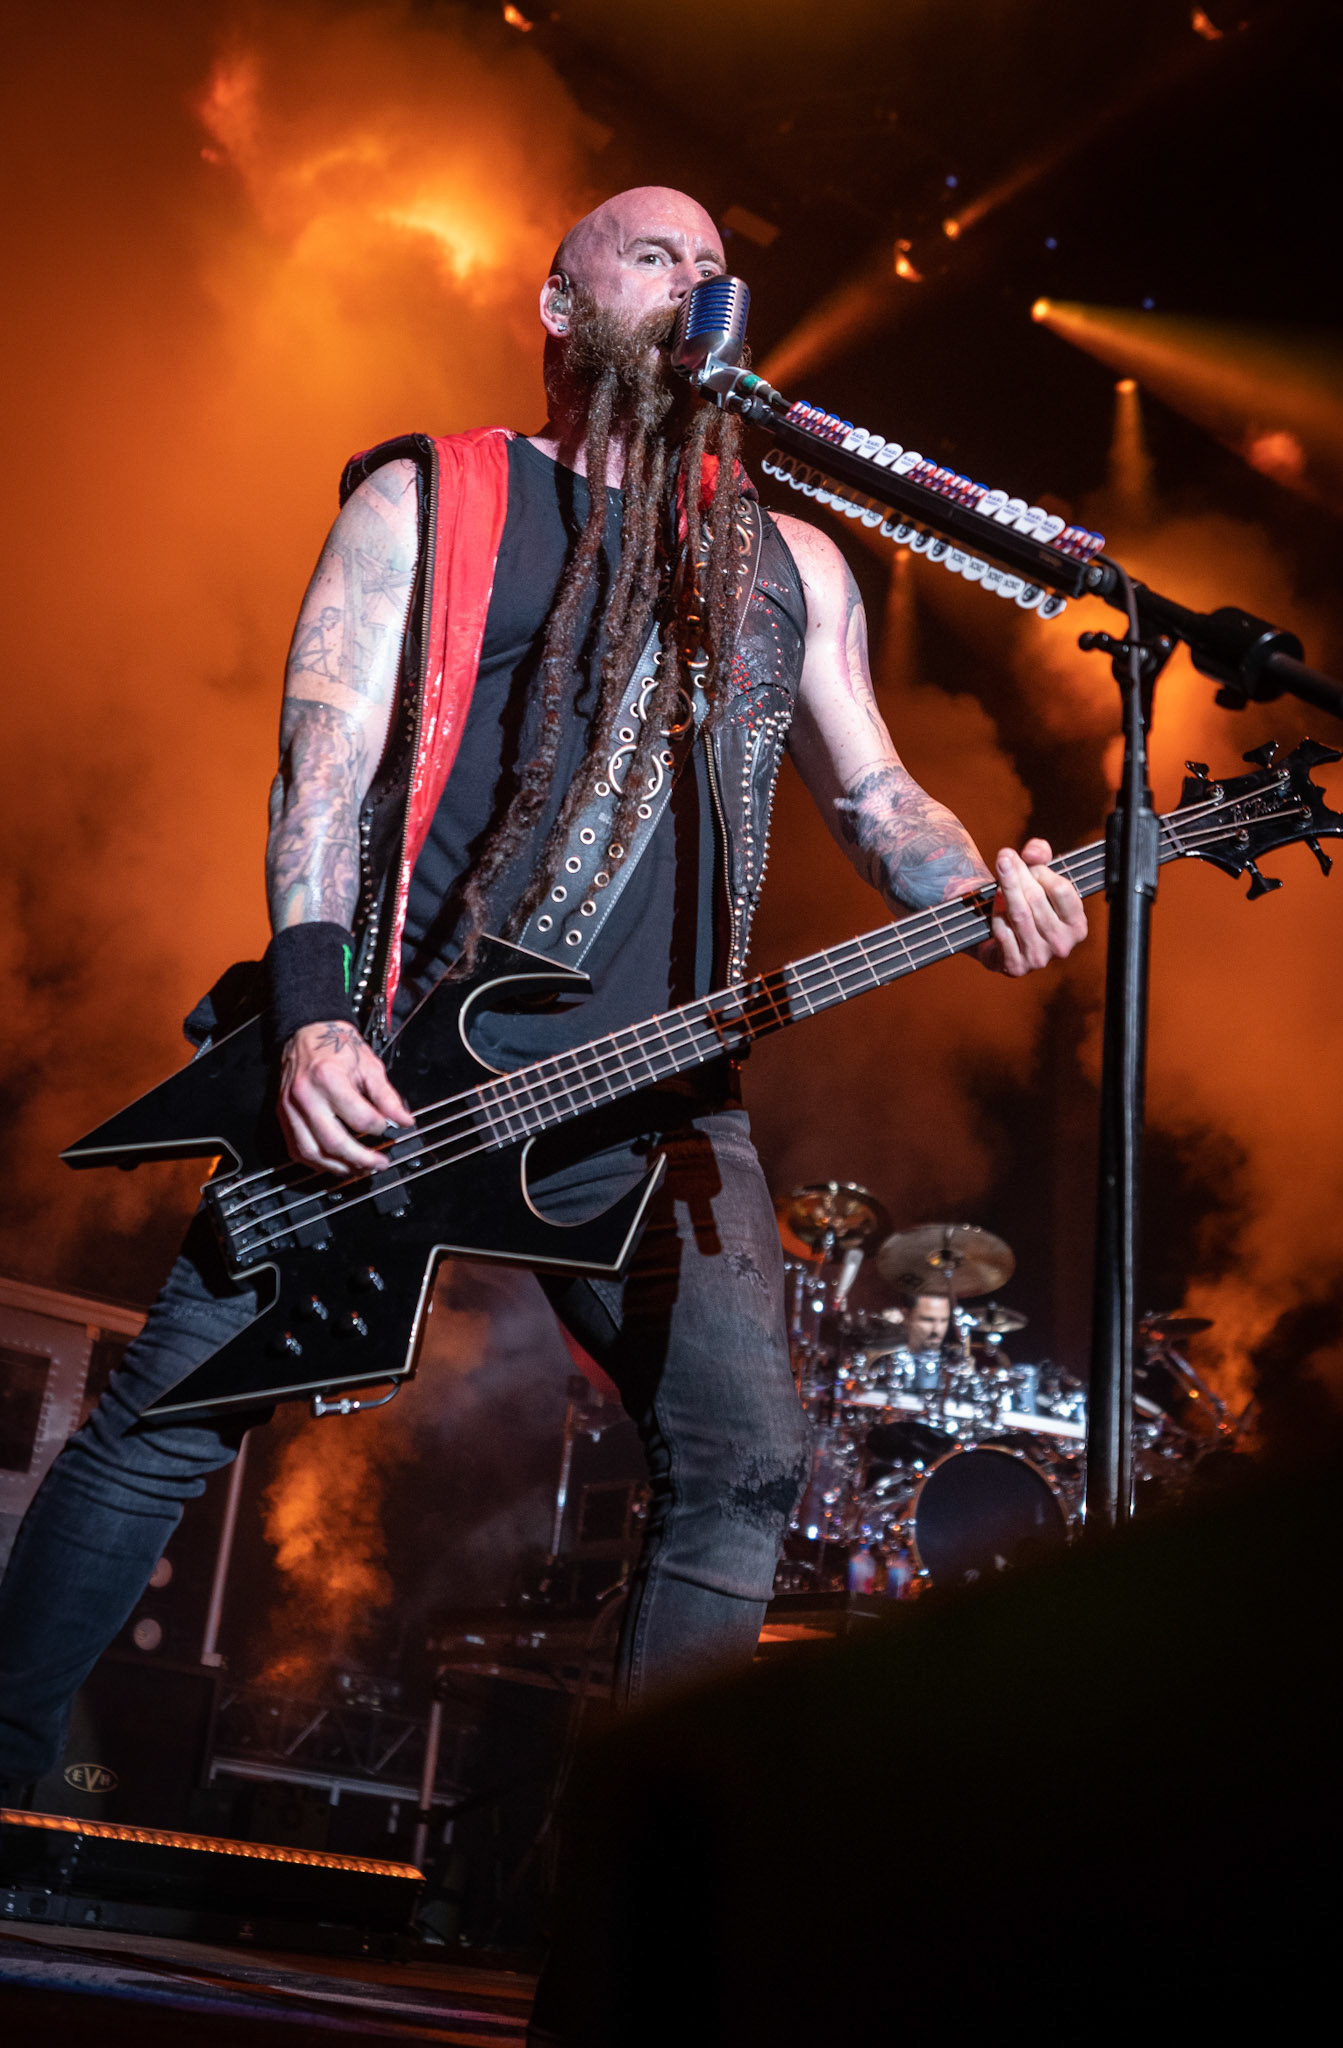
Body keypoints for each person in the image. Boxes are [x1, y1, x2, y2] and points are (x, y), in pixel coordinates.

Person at [0, 186, 1085, 1797]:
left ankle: (631, 1889)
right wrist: (311, 1016)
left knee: (744, 1458)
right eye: (654, 254)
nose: (696, 282)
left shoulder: (789, 566)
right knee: (166, 1418)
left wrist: (977, 890)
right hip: (403, 1051)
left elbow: (877, 800)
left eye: (718, 265)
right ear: (561, 305)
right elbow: (323, 770)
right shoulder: (432, 498)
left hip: (652, 1096)